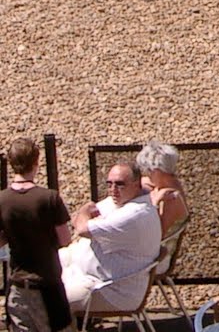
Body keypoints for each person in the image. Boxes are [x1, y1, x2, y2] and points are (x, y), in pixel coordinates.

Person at [59, 160, 160, 314]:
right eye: (109, 184)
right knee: (35, 275)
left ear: (136, 184)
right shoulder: (122, 200)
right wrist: (84, 216)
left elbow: (81, 228)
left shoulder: (135, 214)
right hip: (81, 273)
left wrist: (86, 211)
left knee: (48, 301)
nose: (113, 190)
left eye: (120, 184)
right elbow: (76, 219)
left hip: (110, 290)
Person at [0, 137, 73, 332]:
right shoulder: (49, 198)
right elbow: (65, 240)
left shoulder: (2, 200)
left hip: (17, 287)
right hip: (47, 286)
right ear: (36, 162)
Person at [134, 143, 188, 238]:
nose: (147, 173)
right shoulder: (169, 184)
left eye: (149, 170)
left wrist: (155, 203)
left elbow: (155, 237)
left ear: (159, 170)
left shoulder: (171, 197)